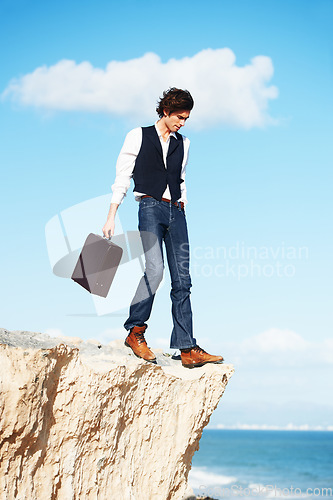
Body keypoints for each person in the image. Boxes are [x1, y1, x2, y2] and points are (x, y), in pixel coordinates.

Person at [102, 87, 223, 368]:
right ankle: (136, 331)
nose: (182, 122)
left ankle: (187, 348)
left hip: (176, 212)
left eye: (186, 118)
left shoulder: (185, 143)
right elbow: (122, 177)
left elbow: (180, 179)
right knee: (155, 269)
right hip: (150, 208)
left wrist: (182, 205)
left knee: (183, 280)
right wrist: (111, 215)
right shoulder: (138, 135)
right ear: (166, 111)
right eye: (179, 117)